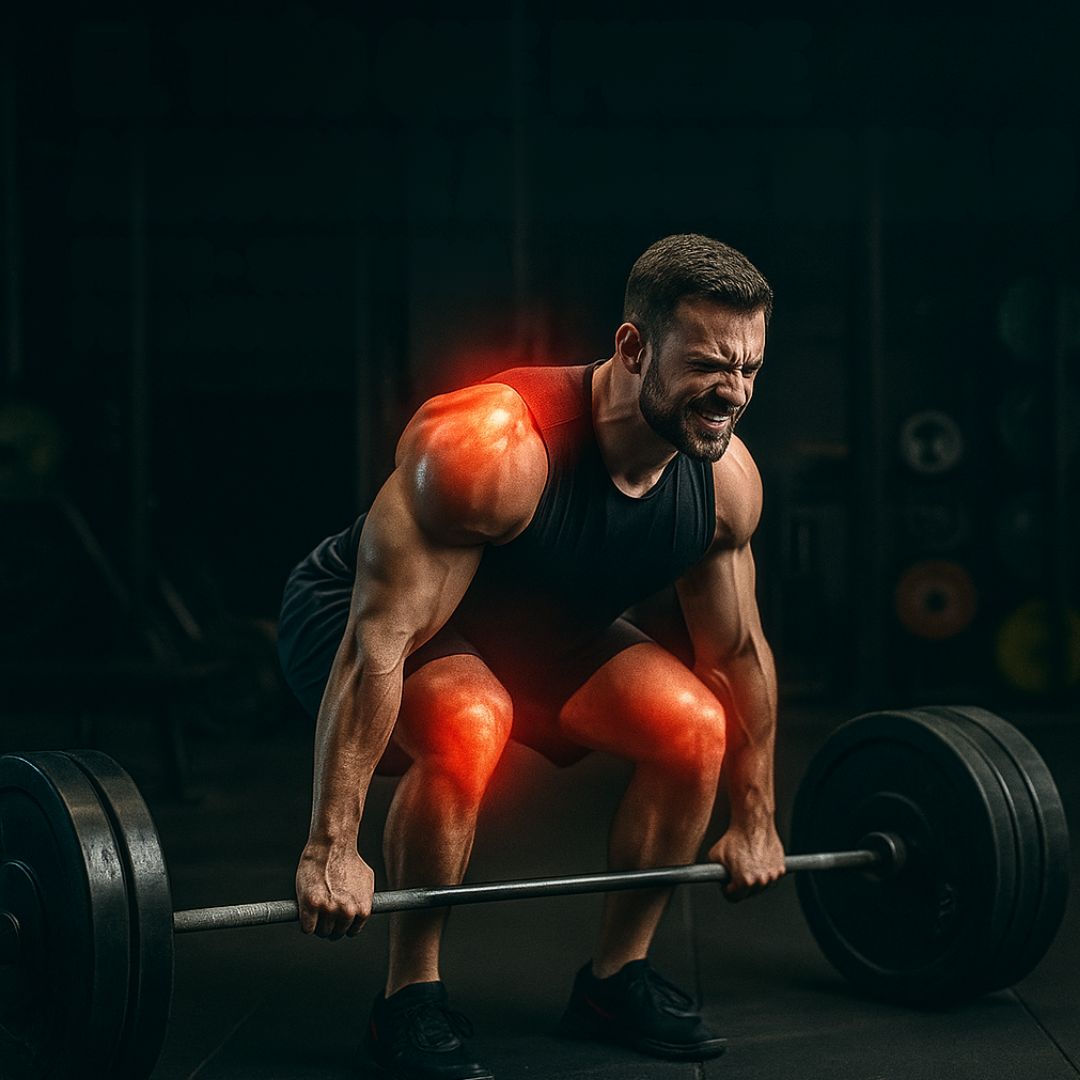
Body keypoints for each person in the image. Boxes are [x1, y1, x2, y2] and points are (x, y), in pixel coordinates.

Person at [278, 233, 786, 1080]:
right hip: (358, 621)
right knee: (473, 719)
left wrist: (757, 816)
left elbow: (735, 652)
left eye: (749, 368)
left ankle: (615, 980)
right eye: (706, 365)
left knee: (696, 727)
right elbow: (381, 640)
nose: (732, 392)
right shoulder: (493, 446)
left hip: (543, 629)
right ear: (633, 347)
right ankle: (409, 998)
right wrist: (330, 843)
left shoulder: (725, 482)